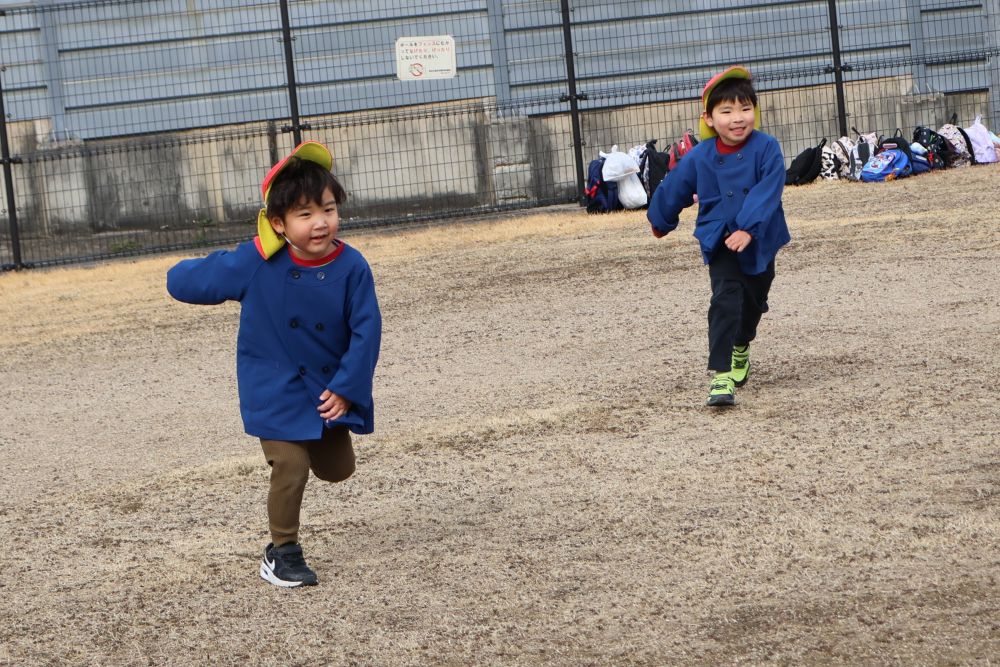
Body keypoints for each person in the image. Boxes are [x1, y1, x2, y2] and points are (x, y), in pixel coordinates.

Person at [167, 141, 382, 587]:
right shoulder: (258, 261)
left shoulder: (353, 266)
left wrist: (346, 387)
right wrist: (248, 252)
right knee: (292, 464)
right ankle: (282, 552)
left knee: (338, 470)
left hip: (326, 388)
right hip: (275, 387)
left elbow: (367, 332)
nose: (320, 222)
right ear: (278, 224)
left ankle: (286, 536)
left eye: (327, 208)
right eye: (304, 214)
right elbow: (184, 282)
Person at [646, 66, 790, 407]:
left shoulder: (767, 148)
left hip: (759, 238)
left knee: (754, 302)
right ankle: (721, 374)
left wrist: (748, 228)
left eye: (745, 109)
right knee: (724, 300)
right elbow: (676, 186)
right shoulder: (701, 156)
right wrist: (661, 220)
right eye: (726, 111)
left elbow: (768, 191)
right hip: (720, 238)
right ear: (709, 119)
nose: (737, 118)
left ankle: (742, 344)